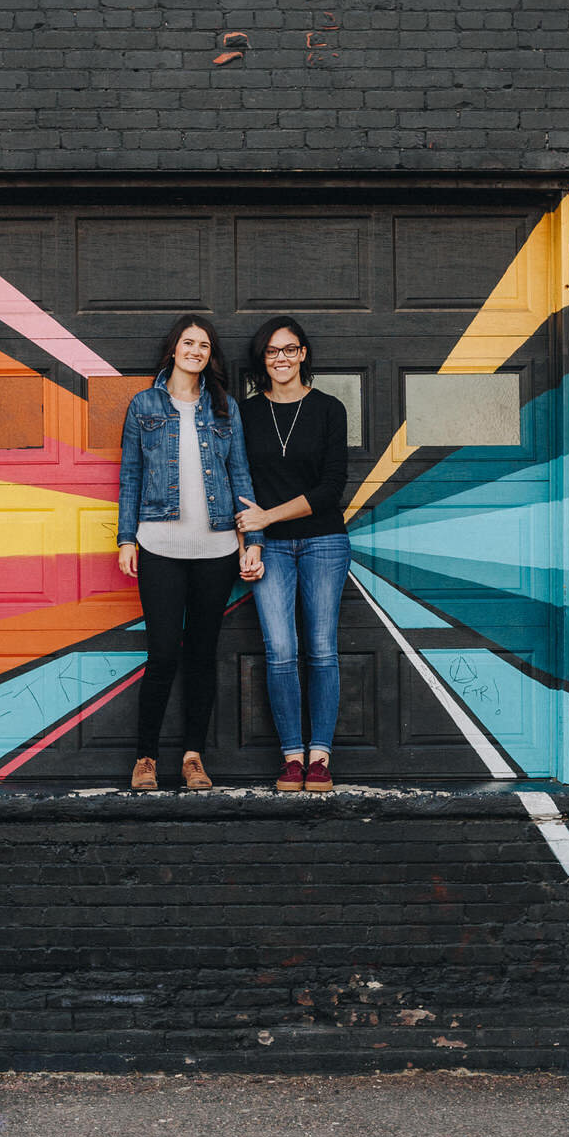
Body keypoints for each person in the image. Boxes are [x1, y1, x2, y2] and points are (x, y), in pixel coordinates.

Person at [116, 314, 263, 791]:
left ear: (210, 356)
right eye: (188, 342)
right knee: (162, 655)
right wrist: (125, 538)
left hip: (217, 548)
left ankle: (193, 757)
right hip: (158, 545)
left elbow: (241, 475)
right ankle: (145, 758)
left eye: (204, 345)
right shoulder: (144, 405)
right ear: (173, 348)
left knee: (201, 655)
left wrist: (250, 542)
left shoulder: (225, 410)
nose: (196, 350)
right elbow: (131, 477)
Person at [235, 317, 350, 793]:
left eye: (289, 350)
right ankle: (291, 758)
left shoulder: (328, 409)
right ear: (262, 360)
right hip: (270, 550)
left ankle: (319, 757)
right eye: (271, 352)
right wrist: (250, 542)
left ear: (303, 354)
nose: (280, 359)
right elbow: (239, 486)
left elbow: (330, 488)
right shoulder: (245, 413)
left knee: (321, 649)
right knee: (281, 651)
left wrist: (267, 517)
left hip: (324, 541)